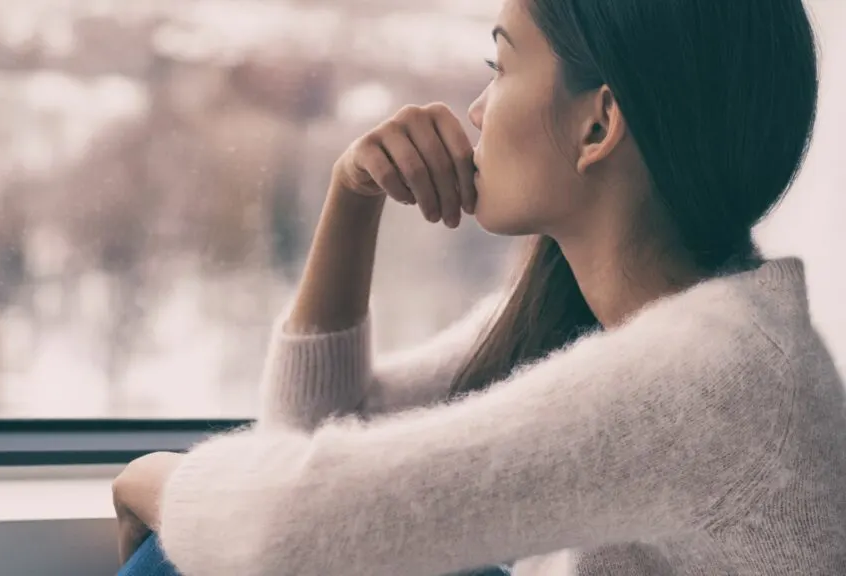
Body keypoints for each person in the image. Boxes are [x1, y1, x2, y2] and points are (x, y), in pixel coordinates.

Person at [112, 0, 846, 573]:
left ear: (599, 126)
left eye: (500, 66)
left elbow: (279, 529)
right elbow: (311, 441)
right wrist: (351, 200)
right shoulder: (603, 313)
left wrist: (153, 481)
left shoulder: (715, 378)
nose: (476, 111)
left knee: (192, 553)